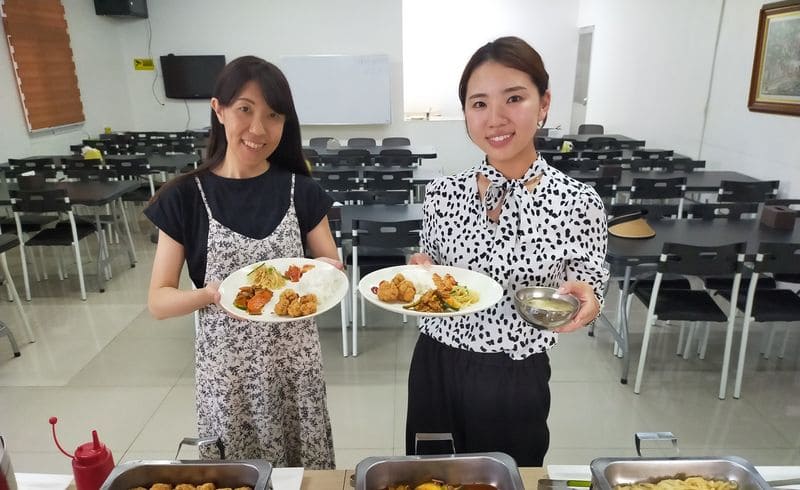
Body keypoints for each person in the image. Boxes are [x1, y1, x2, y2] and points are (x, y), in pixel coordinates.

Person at [405, 36, 609, 466]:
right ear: (465, 112)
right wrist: (422, 269)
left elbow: (590, 284)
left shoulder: (578, 202)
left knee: (509, 475)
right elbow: (433, 266)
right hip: (437, 364)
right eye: (479, 103)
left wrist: (589, 302)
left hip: (515, 372)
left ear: (544, 103)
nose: (495, 118)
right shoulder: (442, 193)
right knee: (429, 475)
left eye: (514, 98)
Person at [145, 56, 338, 468]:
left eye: (273, 115)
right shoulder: (183, 197)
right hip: (228, 376)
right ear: (218, 110)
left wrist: (325, 272)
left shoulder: (302, 191)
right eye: (245, 110)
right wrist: (210, 295)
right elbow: (159, 301)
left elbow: (329, 263)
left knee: (302, 474)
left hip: (295, 370)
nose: (258, 129)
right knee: (238, 474)